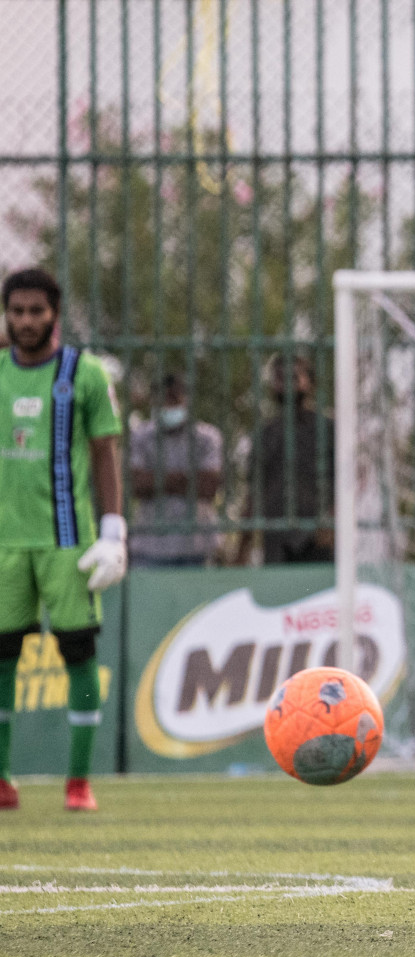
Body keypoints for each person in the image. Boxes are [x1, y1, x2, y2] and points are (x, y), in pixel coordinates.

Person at [0, 267, 126, 811]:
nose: (26, 321)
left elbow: (104, 453)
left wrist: (115, 532)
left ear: (54, 312)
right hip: (5, 546)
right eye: (17, 311)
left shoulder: (86, 374)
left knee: (78, 653)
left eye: (36, 311)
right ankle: (3, 779)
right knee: (2, 660)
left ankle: (78, 783)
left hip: (68, 542)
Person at [236, 353, 335, 565]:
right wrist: (242, 546)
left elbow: (348, 480)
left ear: (310, 381)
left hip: (319, 538)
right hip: (277, 539)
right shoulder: (265, 434)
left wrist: (332, 520)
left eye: (293, 376)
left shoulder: (328, 429)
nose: (286, 383)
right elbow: (254, 492)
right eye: (279, 377)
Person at [129, 373, 224, 566]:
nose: (167, 405)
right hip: (149, 547)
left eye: (173, 399)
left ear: (186, 400)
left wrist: (156, 480)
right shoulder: (141, 436)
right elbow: (137, 485)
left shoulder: (207, 438)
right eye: (161, 400)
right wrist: (189, 481)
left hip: (198, 546)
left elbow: (208, 488)